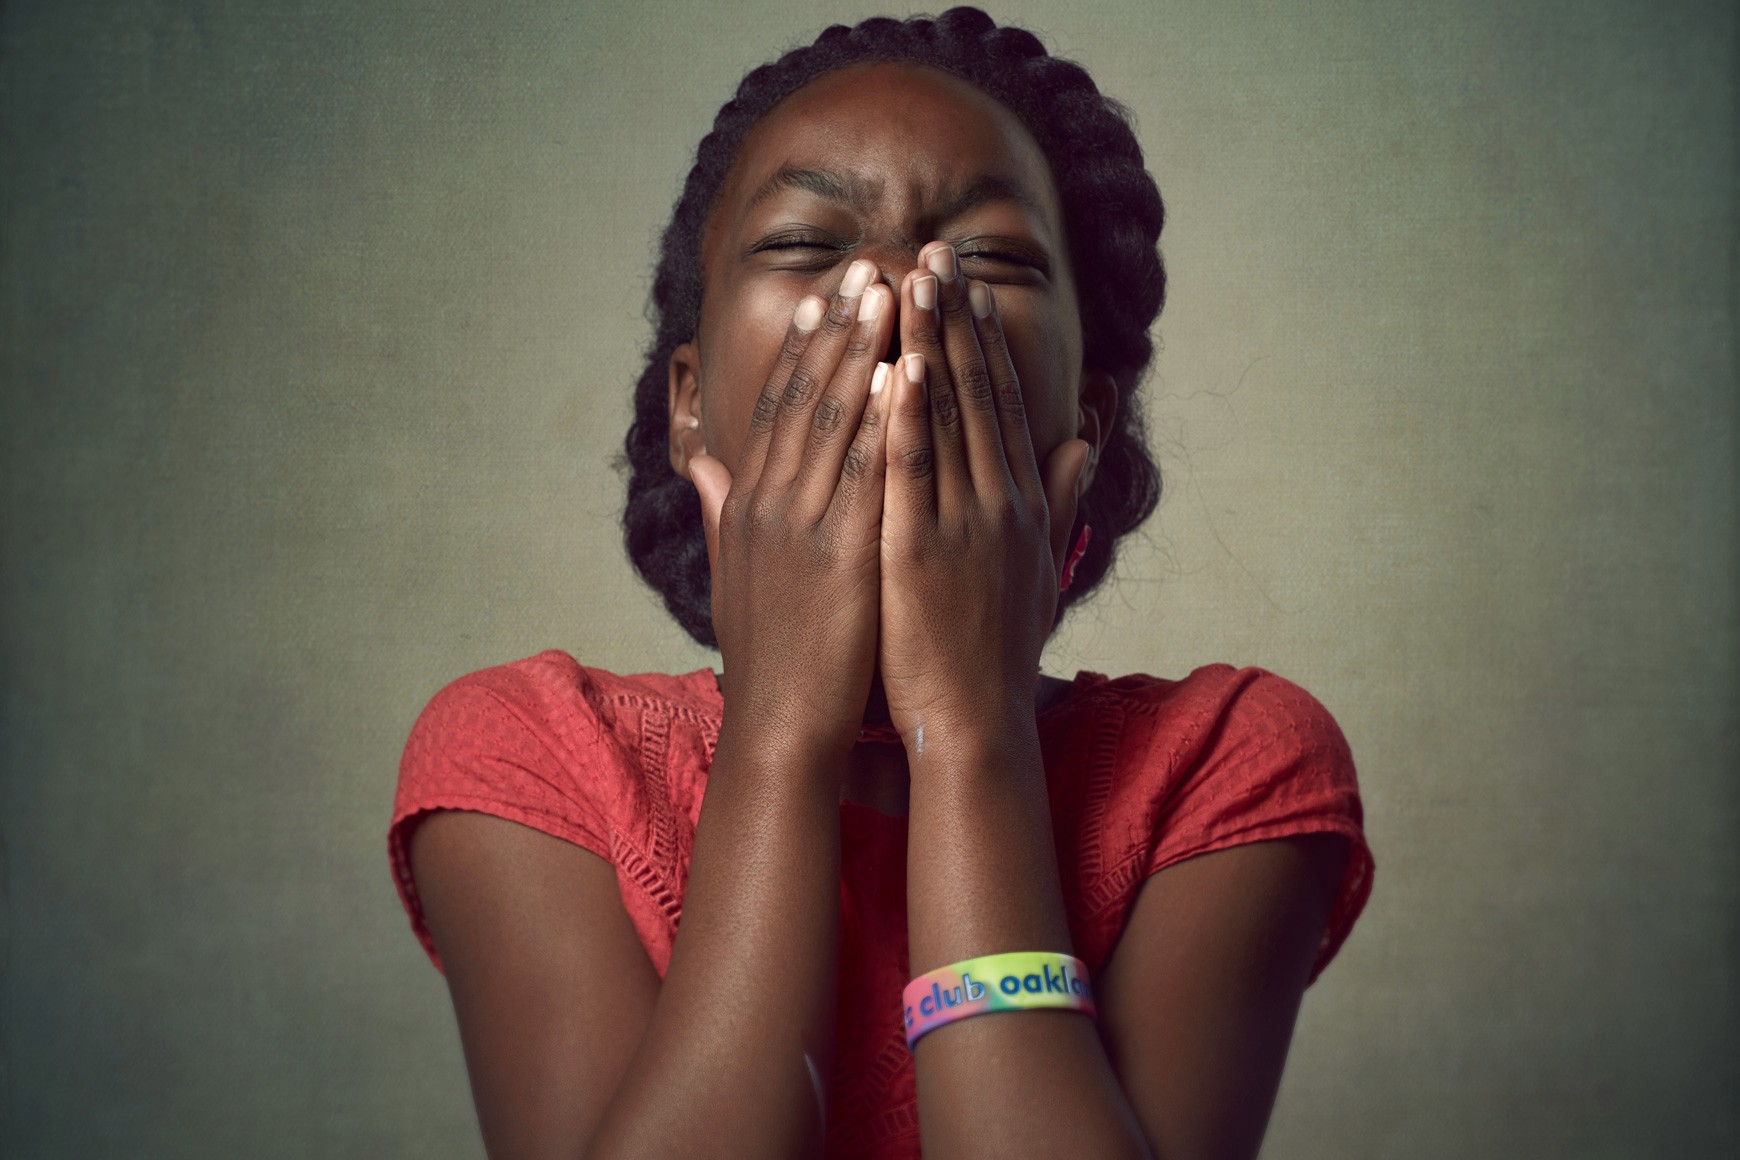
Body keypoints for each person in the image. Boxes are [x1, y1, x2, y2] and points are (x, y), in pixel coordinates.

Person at [387, 9, 1374, 1159]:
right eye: (807, 244)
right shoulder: (527, 758)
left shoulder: (1229, 763)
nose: (898, 292)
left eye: (989, 258)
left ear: (1087, 419)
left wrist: (967, 729)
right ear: (688, 401)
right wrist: (782, 725)